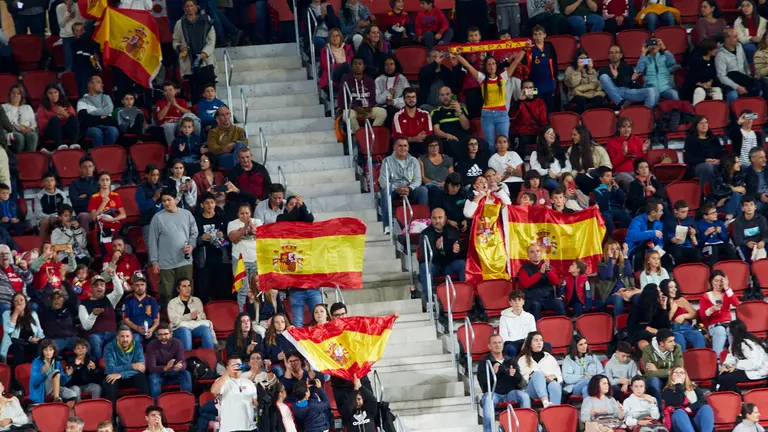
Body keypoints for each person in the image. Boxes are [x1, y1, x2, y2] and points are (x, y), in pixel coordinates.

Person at [455, 51, 524, 147]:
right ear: (486, 67)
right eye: (489, 64)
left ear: (496, 65)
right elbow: (468, 66)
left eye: (493, 63)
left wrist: (524, 49)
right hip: (487, 115)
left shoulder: (502, 77)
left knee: (504, 142)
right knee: (490, 144)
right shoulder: (482, 78)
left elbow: (516, 62)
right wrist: (457, 55)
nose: (491, 66)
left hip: (502, 114)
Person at [148, 190, 198, 306]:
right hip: (166, 264)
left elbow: (194, 233)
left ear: (175, 200)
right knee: (167, 294)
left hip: (184, 261)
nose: (166, 203)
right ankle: (168, 319)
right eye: (164, 201)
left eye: (169, 200)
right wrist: (154, 261)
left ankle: (188, 316)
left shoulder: (187, 214)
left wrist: (192, 245)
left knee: (187, 292)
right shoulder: (157, 218)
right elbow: (152, 241)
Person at [478, 335, 530, 432]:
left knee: (524, 396)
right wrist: (492, 373)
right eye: (494, 343)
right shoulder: (485, 362)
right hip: (494, 394)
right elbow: (483, 384)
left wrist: (514, 375)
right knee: (488, 398)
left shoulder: (510, 360)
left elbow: (519, 381)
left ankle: (525, 428)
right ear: (489, 346)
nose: (498, 345)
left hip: (510, 393)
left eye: (500, 342)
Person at [379, 138, 429, 234]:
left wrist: (409, 188)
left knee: (423, 190)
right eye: (400, 145)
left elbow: (418, 180)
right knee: (385, 191)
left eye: (405, 145)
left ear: (408, 147)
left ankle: (423, 223)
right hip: (394, 189)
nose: (403, 148)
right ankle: (388, 226)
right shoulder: (387, 161)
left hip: (410, 189)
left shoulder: (414, 161)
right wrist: (395, 189)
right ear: (394, 147)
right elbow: (383, 180)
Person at [173, 0, 216, 103]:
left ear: (196, 7)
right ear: (184, 9)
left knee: (209, 91)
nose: (189, 8)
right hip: (189, 62)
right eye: (187, 6)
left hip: (205, 62)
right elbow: (175, 40)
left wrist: (203, 54)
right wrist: (179, 47)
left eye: (191, 6)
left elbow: (211, 40)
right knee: (195, 94)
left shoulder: (206, 20)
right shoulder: (180, 23)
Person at [417, 208, 465, 301]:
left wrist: (457, 251)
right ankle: (429, 301)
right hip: (435, 266)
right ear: (431, 218)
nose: (437, 221)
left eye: (440, 217)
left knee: (463, 264)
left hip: (449, 265)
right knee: (425, 267)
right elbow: (423, 257)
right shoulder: (425, 234)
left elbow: (460, 253)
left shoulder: (453, 231)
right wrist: (437, 249)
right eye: (434, 218)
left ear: (445, 218)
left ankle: (465, 296)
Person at [78, 270, 124, 360]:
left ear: (105, 287)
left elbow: (119, 292)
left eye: (102, 285)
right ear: (91, 287)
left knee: (119, 337)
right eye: (96, 285)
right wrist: (93, 315)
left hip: (111, 334)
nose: (99, 287)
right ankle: (98, 366)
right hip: (95, 335)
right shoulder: (84, 304)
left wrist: (114, 276)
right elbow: (86, 326)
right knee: (95, 340)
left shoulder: (109, 299)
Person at [339, 57, 387, 135]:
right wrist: (354, 107)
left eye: (360, 64)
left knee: (382, 112)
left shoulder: (370, 80)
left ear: (364, 67)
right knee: (347, 115)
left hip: (367, 109)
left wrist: (369, 107)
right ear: (351, 66)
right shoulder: (345, 80)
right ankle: (360, 136)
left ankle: (371, 133)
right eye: (355, 64)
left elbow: (373, 98)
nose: (358, 66)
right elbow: (341, 101)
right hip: (353, 109)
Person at [716, 319, 768, 391]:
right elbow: (732, 356)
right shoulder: (735, 343)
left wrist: (736, 366)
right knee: (722, 375)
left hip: (758, 371)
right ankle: (722, 395)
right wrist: (726, 366)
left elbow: (755, 363)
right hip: (746, 368)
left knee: (726, 379)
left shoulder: (749, 343)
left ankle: (731, 397)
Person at [103, 325, 150, 405]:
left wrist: (121, 374)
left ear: (132, 337)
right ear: (117, 337)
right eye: (122, 336)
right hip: (116, 379)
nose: (125, 339)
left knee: (141, 376)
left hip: (130, 377)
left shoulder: (138, 346)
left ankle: (146, 407)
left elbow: (140, 368)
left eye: (127, 336)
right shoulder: (109, 347)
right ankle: (113, 414)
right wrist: (132, 366)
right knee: (110, 380)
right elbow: (110, 370)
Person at [517, 244, 566, 320]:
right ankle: (535, 330)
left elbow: (556, 282)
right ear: (528, 256)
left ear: (540, 253)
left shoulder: (547, 266)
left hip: (548, 298)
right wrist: (540, 273)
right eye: (532, 252)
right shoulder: (524, 269)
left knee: (558, 303)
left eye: (537, 251)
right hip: (532, 299)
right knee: (535, 306)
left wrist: (548, 271)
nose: (536, 253)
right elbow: (526, 284)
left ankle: (563, 326)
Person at [228, 202, 262, 311]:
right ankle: (243, 316)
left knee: (257, 289)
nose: (245, 216)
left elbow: (263, 236)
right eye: (242, 213)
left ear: (251, 213)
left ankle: (258, 314)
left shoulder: (258, 221)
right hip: (240, 261)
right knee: (242, 291)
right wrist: (245, 228)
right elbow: (234, 238)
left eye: (247, 213)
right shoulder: (232, 224)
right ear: (238, 214)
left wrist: (253, 229)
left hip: (256, 260)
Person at [211, 356, 259, 432]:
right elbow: (214, 391)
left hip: (249, 428)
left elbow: (256, 403)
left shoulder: (249, 383)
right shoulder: (223, 381)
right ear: (227, 368)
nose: (237, 367)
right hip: (229, 429)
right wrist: (227, 373)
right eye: (233, 365)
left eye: (239, 365)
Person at [146, 323, 192, 402]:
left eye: (166, 334)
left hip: (173, 371)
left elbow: (183, 364)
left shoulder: (177, 343)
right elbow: (151, 368)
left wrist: (180, 366)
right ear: (157, 335)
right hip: (159, 373)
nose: (163, 337)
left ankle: (186, 402)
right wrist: (165, 368)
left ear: (171, 334)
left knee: (186, 374)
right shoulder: (151, 345)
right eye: (160, 335)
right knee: (153, 378)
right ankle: (156, 406)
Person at [30, 277, 78, 351]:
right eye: (54, 298)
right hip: (55, 340)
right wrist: (49, 285)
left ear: (63, 300)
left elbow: (73, 296)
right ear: (51, 301)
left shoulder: (69, 309)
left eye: (59, 298)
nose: (57, 300)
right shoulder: (45, 311)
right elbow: (43, 299)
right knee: (48, 350)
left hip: (71, 338)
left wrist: (64, 280)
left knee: (86, 347)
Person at [700, 269, 740, 359]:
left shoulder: (727, 294)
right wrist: (711, 309)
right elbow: (703, 316)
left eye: (721, 281)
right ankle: (717, 360)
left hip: (727, 323)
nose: (719, 284)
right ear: (711, 281)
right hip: (714, 325)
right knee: (720, 330)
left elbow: (737, 304)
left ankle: (735, 357)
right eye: (716, 281)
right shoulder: (705, 296)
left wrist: (727, 288)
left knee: (733, 329)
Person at [662, 366, 714, 432]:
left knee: (706, 408)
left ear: (685, 375)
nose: (679, 374)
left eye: (681, 372)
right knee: (679, 412)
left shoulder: (694, 388)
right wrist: (678, 385)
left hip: (694, 418)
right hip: (679, 420)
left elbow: (703, 401)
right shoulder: (667, 390)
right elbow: (677, 404)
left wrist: (690, 408)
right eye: (676, 373)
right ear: (671, 376)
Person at [717, 28, 762, 104]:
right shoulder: (720, 55)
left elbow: (745, 63)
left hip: (743, 79)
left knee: (759, 90)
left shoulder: (740, 46)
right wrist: (737, 87)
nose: (738, 39)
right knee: (733, 95)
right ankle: (734, 114)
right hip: (730, 83)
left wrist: (749, 75)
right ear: (727, 39)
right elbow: (721, 77)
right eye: (735, 37)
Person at [168, 278, 215, 350]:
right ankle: (187, 358)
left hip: (195, 327)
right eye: (184, 286)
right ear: (178, 289)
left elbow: (202, 317)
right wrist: (189, 316)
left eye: (189, 286)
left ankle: (211, 356)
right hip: (179, 329)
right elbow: (174, 321)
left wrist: (196, 317)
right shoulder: (172, 303)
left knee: (205, 329)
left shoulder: (197, 300)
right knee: (185, 331)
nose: (187, 288)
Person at [517, 331, 562, 407]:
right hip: (531, 390)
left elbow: (559, 377)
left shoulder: (550, 358)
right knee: (538, 373)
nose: (539, 342)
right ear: (530, 344)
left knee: (555, 385)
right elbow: (521, 382)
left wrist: (553, 378)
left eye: (541, 340)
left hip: (548, 386)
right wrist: (535, 376)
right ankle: (545, 402)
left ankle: (555, 411)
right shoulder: (522, 360)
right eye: (536, 340)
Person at [626, 199, 671, 271]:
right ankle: (636, 276)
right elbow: (633, 236)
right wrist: (652, 233)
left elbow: (660, 240)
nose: (662, 213)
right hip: (636, 247)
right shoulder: (637, 220)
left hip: (651, 247)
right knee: (638, 256)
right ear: (653, 213)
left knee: (665, 256)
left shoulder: (659, 223)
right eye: (660, 211)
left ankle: (665, 277)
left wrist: (658, 247)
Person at [661, 279, 706, 351]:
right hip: (672, 329)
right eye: (671, 287)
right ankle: (682, 362)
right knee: (679, 339)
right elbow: (663, 323)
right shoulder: (662, 303)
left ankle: (700, 360)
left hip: (686, 327)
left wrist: (683, 316)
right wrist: (672, 311)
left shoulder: (681, 300)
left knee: (698, 336)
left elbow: (694, 314)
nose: (674, 289)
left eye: (675, 287)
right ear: (664, 289)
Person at [88, 171, 126, 255]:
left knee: (119, 254)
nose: (105, 182)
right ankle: (109, 267)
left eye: (107, 180)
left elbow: (123, 215)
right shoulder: (94, 197)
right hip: (102, 230)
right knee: (108, 255)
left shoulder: (116, 196)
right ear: (98, 182)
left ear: (110, 181)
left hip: (116, 228)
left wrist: (112, 220)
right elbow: (94, 218)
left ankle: (117, 267)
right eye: (102, 180)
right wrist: (103, 203)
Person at [642, 328, 683, 405]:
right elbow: (649, 373)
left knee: (678, 378)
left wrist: (657, 370)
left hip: (671, 378)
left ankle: (676, 407)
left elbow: (678, 370)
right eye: (670, 341)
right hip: (657, 379)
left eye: (674, 340)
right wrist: (670, 371)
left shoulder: (677, 348)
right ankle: (659, 408)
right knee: (653, 380)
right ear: (661, 344)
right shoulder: (648, 350)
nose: (674, 343)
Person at [607, 117, 650, 189]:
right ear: (618, 129)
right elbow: (612, 164)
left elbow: (643, 162)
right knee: (632, 182)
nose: (626, 129)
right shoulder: (612, 143)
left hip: (637, 171)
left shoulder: (637, 140)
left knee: (651, 178)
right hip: (620, 172)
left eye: (629, 127)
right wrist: (623, 155)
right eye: (623, 127)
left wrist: (644, 151)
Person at [29, 339, 77, 404]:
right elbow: (34, 383)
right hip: (41, 389)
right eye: (45, 350)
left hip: (54, 389)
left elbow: (61, 382)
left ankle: (65, 413)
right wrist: (42, 372)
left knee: (73, 395)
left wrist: (67, 375)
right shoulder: (37, 362)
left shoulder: (57, 363)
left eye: (50, 350)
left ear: (54, 351)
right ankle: (56, 399)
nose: (48, 352)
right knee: (56, 372)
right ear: (42, 351)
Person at [0, 293, 43, 364]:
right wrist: (16, 313)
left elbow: (40, 332)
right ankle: (17, 373)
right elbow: (8, 330)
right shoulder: (7, 314)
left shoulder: (33, 314)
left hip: (29, 342)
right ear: (13, 304)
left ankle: (36, 371)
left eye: (21, 300)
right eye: (16, 301)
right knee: (19, 348)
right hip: (12, 343)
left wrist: (37, 338)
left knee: (39, 346)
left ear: (26, 302)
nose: (19, 302)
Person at [523, 26, 558, 113]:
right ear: (533, 36)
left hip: (548, 83)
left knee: (550, 108)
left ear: (544, 35)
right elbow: (525, 66)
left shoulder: (549, 46)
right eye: (535, 34)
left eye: (540, 34)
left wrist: (554, 78)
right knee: (534, 107)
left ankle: (550, 126)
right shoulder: (529, 49)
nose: (538, 36)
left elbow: (554, 62)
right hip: (534, 84)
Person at [77, 76, 119, 147]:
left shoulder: (106, 98)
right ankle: (99, 156)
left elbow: (108, 111)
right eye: (99, 82)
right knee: (96, 132)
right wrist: (100, 117)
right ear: (90, 85)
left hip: (107, 125)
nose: (102, 85)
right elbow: (83, 117)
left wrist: (92, 114)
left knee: (113, 131)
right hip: (91, 127)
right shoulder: (82, 101)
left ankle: (109, 154)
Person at [568, 125, 612, 194]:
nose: (572, 137)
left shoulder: (598, 150)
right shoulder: (571, 150)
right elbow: (569, 168)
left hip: (596, 177)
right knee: (580, 179)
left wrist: (593, 172)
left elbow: (607, 167)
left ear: (582, 136)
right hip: (579, 179)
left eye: (575, 135)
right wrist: (576, 172)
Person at [635, 38, 680, 103]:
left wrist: (664, 48)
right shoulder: (645, 59)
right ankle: (649, 112)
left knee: (674, 94)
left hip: (665, 88)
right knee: (652, 99)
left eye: (655, 43)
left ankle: (678, 113)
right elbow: (639, 70)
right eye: (651, 43)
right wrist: (643, 53)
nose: (653, 46)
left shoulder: (664, 57)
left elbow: (672, 62)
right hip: (652, 89)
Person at [430, 86, 470, 159]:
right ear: (439, 97)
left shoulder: (462, 109)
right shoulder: (436, 112)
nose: (445, 97)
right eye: (442, 95)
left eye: (447, 94)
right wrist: (448, 136)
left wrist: (459, 111)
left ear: (452, 95)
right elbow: (436, 131)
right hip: (447, 141)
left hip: (463, 139)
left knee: (481, 143)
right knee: (452, 143)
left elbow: (466, 127)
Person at [392, 88, 433, 157]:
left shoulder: (425, 114)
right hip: (406, 145)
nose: (411, 100)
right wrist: (415, 138)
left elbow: (430, 133)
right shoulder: (398, 116)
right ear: (404, 99)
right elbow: (399, 137)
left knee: (430, 144)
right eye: (408, 97)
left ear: (416, 98)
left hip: (422, 144)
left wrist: (423, 136)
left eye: (413, 97)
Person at [36, 84, 79, 151]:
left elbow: (74, 120)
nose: (53, 95)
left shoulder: (66, 104)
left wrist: (64, 113)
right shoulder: (42, 107)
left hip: (64, 131)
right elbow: (42, 125)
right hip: (50, 133)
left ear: (59, 93)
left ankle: (73, 144)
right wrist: (57, 118)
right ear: (46, 95)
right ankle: (59, 145)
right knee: (55, 119)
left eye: (55, 92)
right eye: (50, 93)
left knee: (73, 118)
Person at [510, 80, 547, 154]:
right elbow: (511, 115)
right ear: (522, 90)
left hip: (537, 132)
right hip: (523, 133)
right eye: (526, 88)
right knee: (520, 143)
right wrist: (519, 100)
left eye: (531, 87)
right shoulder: (518, 102)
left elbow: (544, 120)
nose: (529, 90)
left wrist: (543, 132)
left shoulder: (540, 102)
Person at [564, 48, 606, 114]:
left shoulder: (591, 70)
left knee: (599, 99)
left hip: (591, 94)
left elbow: (595, 85)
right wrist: (578, 70)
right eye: (581, 59)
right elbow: (572, 84)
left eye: (585, 59)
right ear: (577, 59)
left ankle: (595, 116)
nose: (584, 61)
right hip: (576, 95)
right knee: (581, 100)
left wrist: (590, 70)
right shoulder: (570, 69)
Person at [154, 81, 195, 147]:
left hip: (180, 123)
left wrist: (176, 105)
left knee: (193, 120)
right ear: (164, 93)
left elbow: (189, 114)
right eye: (166, 91)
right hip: (166, 124)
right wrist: (168, 104)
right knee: (168, 126)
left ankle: (196, 145)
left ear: (175, 91)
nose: (168, 92)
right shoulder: (160, 102)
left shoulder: (181, 101)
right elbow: (160, 117)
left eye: (170, 90)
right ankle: (173, 149)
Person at [122, 272, 159, 344]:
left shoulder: (152, 300)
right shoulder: (128, 299)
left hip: (150, 331)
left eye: (142, 285)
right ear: (132, 286)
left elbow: (156, 320)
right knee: (136, 339)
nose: (140, 288)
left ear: (146, 286)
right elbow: (126, 319)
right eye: (137, 285)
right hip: (134, 331)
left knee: (157, 341)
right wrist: (137, 328)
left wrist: (151, 330)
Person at [684, 38, 723, 105]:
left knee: (717, 90)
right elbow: (692, 79)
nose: (716, 51)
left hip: (707, 86)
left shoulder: (713, 60)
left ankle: (717, 111)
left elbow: (713, 76)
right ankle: (697, 113)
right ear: (709, 51)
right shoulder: (697, 61)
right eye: (714, 49)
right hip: (695, 87)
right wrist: (702, 85)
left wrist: (710, 82)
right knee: (700, 91)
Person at [207, 106, 247, 170]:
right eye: (222, 115)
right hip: (221, 156)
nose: (225, 117)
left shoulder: (239, 130)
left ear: (230, 115)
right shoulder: (213, 132)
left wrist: (234, 143)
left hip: (237, 155)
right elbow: (212, 147)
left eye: (227, 114)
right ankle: (239, 172)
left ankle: (237, 171)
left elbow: (245, 142)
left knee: (240, 145)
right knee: (237, 157)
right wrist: (224, 148)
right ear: (218, 117)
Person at [709, 153, 746, 223]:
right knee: (737, 199)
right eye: (737, 162)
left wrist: (727, 198)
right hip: (717, 206)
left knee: (739, 202)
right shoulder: (718, 174)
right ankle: (739, 225)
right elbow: (717, 192)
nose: (740, 164)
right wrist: (734, 189)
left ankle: (730, 218)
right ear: (730, 163)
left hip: (730, 203)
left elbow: (743, 191)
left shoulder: (739, 175)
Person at [593, 168, 631, 235]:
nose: (610, 178)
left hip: (617, 210)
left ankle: (622, 236)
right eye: (607, 176)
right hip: (606, 211)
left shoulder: (615, 188)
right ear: (601, 178)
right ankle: (613, 237)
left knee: (627, 216)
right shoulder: (597, 190)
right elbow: (602, 203)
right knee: (607, 217)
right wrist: (608, 191)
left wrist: (618, 189)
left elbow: (622, 200)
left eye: (611, 176)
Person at [663, 200, 701, 265]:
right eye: (683, 212)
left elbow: (698, 233)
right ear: (675, 211)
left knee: (697, 255)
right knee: (678, 254)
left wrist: (694, 232)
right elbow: (664, 235)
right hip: (674, 245)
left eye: (687, 211)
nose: (685, 214)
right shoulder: (668, 220)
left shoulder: (690, 220)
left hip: (688, 244)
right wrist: (671, 239)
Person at [35, 172, 69, 245]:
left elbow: (66, 209)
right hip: (45, 218)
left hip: (59, 217)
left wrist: (57, 217)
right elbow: (38, 214)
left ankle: (66, 246)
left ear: (55, 182)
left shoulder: (61, 194)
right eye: (47, 181)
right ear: (43, 183)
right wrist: (50, 217)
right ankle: (42, 247)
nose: (49, 183)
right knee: (44, 223)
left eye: (51, 180)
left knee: (66, 221)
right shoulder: (39, 196)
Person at [2, 84, 38, 153]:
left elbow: (33, 123)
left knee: (33, 136)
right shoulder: (3, 107)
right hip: (10, 132)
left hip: (26, 131)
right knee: (19, 137)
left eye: (18, 93)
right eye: (13, 93)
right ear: (9, 94)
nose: (15, 95)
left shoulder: (27, 107)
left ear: (22, 96)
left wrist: (29, 129)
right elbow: (4, 123)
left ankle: (29, 158)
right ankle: (19, 159)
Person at [319, 28, 354, 93]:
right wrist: (342, 65)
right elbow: (326, 66)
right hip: (331, 73)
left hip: (345, 74)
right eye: (333, 36)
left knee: (344, 76)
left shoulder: (347, 48)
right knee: (346, 65)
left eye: (337, 36)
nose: (335, 38)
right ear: (329, 38)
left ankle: (344, 97)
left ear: (340, 37)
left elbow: (352, 62)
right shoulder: (325, 50)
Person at [734, 195, 768, 262]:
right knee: (741, 249)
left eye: (751, 205)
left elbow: (766, 234)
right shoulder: (738, 221)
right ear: (742, 208)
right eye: (746, 205)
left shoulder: (761, 219)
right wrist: (747, 243)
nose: (749, 207)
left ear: (755, 207)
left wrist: (763, 241)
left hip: (760, 244)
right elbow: (738, 239)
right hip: (745, 245)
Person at [135, 165, 163, 245]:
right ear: (147, 175)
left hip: (161, 221)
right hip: (148, 222)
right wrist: (154, 199)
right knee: (152, 249)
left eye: (157, 175)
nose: (155, 177)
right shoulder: (141, 188)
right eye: (153, 175)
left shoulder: (160, 186)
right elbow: (142, 207)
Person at [375, 56, 409, 121]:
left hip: (399, 106)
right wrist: (387, 93)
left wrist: (394, 102)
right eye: (386, 65)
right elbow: (378, 100)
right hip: (383, 108)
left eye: (391, 64)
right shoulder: (379, 80)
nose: (389, 67)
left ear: (395, 66)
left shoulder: (402, 79)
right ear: (383, 67)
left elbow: (408, 97)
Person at [68, 156, 98, 231]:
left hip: (99, 211)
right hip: (83, 213)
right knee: (83, 216)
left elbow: (103, 199)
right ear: (80, 169)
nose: (88, 169)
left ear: (94, 168)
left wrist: (85, 196)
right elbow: (75, 202)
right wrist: (92, 197)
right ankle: (85, 242)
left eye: (90, 166)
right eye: (84, 167)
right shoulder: (74, 184)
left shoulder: (99, 182)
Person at [745, 148, 768, 212]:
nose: (765, 159)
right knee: (759, 207)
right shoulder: (747, 173)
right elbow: (746, 191)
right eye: (761, 157)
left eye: (764, 157)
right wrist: (760, 196)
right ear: (753, 159)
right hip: (756, 199)